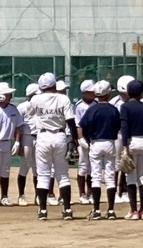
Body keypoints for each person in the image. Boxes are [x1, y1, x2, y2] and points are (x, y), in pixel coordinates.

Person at [31, 73, 77, 221]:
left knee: (43, 174)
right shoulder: (63, 98)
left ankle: (43, 211)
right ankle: (67, 210)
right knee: (62, 174)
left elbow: (31, 113)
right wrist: (74, 140)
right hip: (60, 136)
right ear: (55, 85)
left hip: (43, 136)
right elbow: (70, 121)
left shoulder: (35, 99)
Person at [78, 80, 121, 220]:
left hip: (95, 143)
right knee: (110, 176)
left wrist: (85, 139)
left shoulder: (92, 109)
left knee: (95, 176)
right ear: (108, 94)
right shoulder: (113, 109)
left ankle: (96, 210)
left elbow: (82, 126)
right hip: (110, 142)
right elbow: (118, 126)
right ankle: (111, 210)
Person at [120, 80, 143, 220]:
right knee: (142, 177)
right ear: (141, 93)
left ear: (128, 92)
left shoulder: (125, 107)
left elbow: (124, 127)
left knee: (131, 177)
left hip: (132, 142)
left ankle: (134, 211)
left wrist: (125, 145)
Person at [0, 82, 24, 207]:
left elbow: (18, 127)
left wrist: (17, 142)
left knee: (5, 171)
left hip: (8, 143)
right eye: (8, 94)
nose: (10, 96)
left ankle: (4, 196)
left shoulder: (13, 109)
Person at [110, 74, 135, 204]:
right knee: (116, 164)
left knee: (128, 163)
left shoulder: (134, 102)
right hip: (118, 135)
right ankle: (114, 191)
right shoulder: (114, 102)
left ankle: (124, 190)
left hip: (131, 135)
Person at [16, 83, 40, 207]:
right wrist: (19, 143)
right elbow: (19, 127)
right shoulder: (22, 107)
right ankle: (21, 195)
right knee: (24, 166)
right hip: (27, 137)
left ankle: (38, 196)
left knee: (38, 168)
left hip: (39, 137)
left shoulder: (41, 105)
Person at [74, 79, 96, 204]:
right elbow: (78, 124)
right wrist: (80, 138)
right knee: (83, 166)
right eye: (91, 91)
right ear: (85, 92)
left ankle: (91, 192)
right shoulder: (79, 106)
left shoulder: (96, 104)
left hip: (94, 137)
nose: (94, 93)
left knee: (93, 167)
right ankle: (82, 193)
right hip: (84, 138)